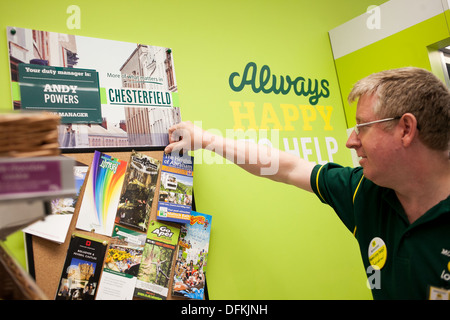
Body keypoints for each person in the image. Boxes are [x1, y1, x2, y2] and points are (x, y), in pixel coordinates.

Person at [164, 67, 450, 300]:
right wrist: (207, 140)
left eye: (362, 127)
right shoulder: (363, 191)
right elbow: (289, 168)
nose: (351, 141)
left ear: (406, 129)